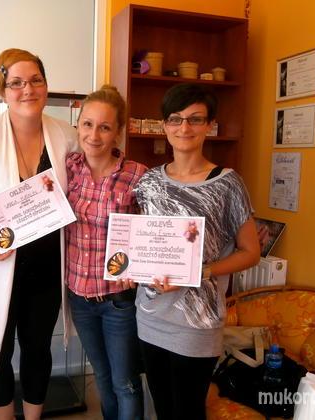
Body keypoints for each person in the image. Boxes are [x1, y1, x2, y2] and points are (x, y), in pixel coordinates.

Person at [0, 48, 78, 420]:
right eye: (16, 83)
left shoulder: (66, 136)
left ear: (46, 85)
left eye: (36, 80)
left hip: (47, 269)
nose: (28, 89)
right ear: (2, 91)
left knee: (38, 349)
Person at [130, 84, 260, 420]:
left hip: (197, 322)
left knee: (188, 411)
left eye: (195, 119)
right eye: (175, 119)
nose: (184, 127)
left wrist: (199, 272)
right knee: (162, 408)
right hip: (150, 314)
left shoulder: (228, 184)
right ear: (164, 126)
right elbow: (143, 243)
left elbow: (251, 252)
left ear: (209, 125)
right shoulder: (148, 183)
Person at [65, 85, 147, 420]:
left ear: (118, 133)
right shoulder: (68, 169)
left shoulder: (137, 175)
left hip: (118, 299)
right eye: (87, 124)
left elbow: (151, 232)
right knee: (101, 375)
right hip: (79, 296)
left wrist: (138, 268)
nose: (94, 135)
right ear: (78, 125)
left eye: (104, 127)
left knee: (124, 382)